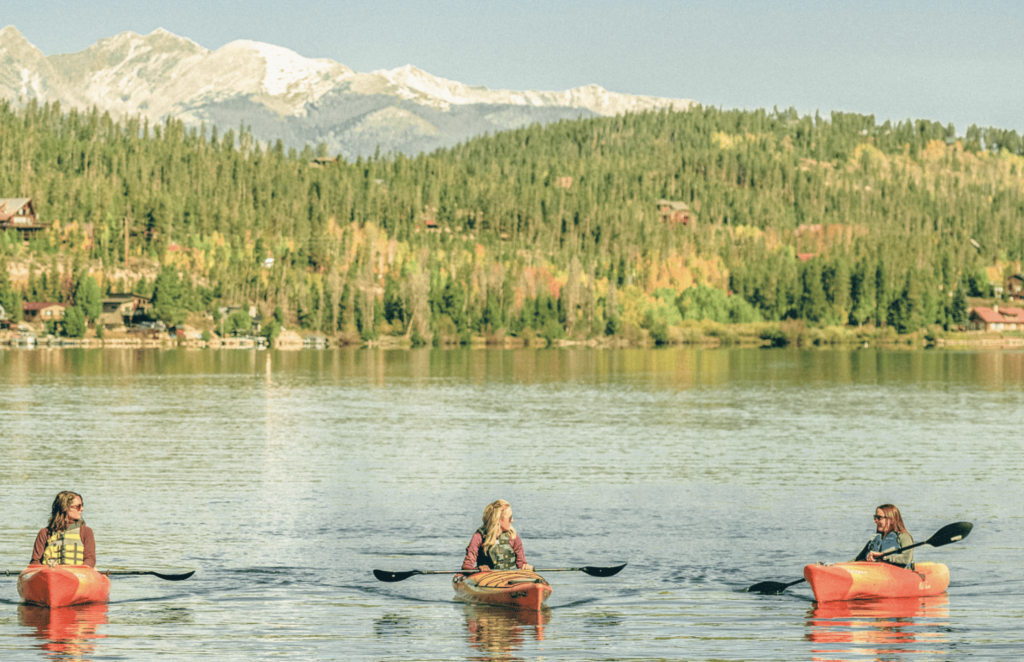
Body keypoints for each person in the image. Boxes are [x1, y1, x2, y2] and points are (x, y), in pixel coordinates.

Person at [462, 499, 533, 572]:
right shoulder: (479, 536)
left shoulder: (513, 536)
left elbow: (521, 564)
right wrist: (479, 569)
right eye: (510, 518)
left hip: (511, 578)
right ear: (498, 519)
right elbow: (467, 566)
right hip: (487, 579)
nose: (512, 521)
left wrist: (526, 567)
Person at [30, 491, 96, 567]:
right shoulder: (45, 533)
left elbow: (90, 559)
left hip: (77, 574)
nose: (82, 509)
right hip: (50, 574)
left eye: (82, 505)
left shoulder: (86, 531)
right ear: (64, 508)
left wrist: (82, 569)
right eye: (78, 506)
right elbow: (35, 562)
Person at [854, 503, 913, 568]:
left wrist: (883, 556)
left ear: (891, 520)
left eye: (879, 518)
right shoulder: (876, 539)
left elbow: (906, 558)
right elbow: (857, 559)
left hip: (896, 574)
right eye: (875, 517)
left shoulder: (904, 537)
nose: (875, 521)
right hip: (874, 572)